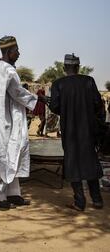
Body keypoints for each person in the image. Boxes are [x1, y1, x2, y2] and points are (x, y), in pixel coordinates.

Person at [0, 36, 47, 209]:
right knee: (7, 157)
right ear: (9, 52)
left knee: (13, 156)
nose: (19, 53)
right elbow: (18, 93)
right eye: (16, 50)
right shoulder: (8, 71)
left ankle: (13, 194)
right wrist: (38, 99)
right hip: (6, 123)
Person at [50, 53, 104, 211]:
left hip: (70, 129)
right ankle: (97, 199)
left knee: (72, 162)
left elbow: (54, 107)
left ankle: (79, 202)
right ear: (78, 67)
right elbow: (97, 103)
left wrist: (67, 109)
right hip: (88, 129)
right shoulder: (89, 81)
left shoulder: (58, 84)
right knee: (90, 160)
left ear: (64, 67)